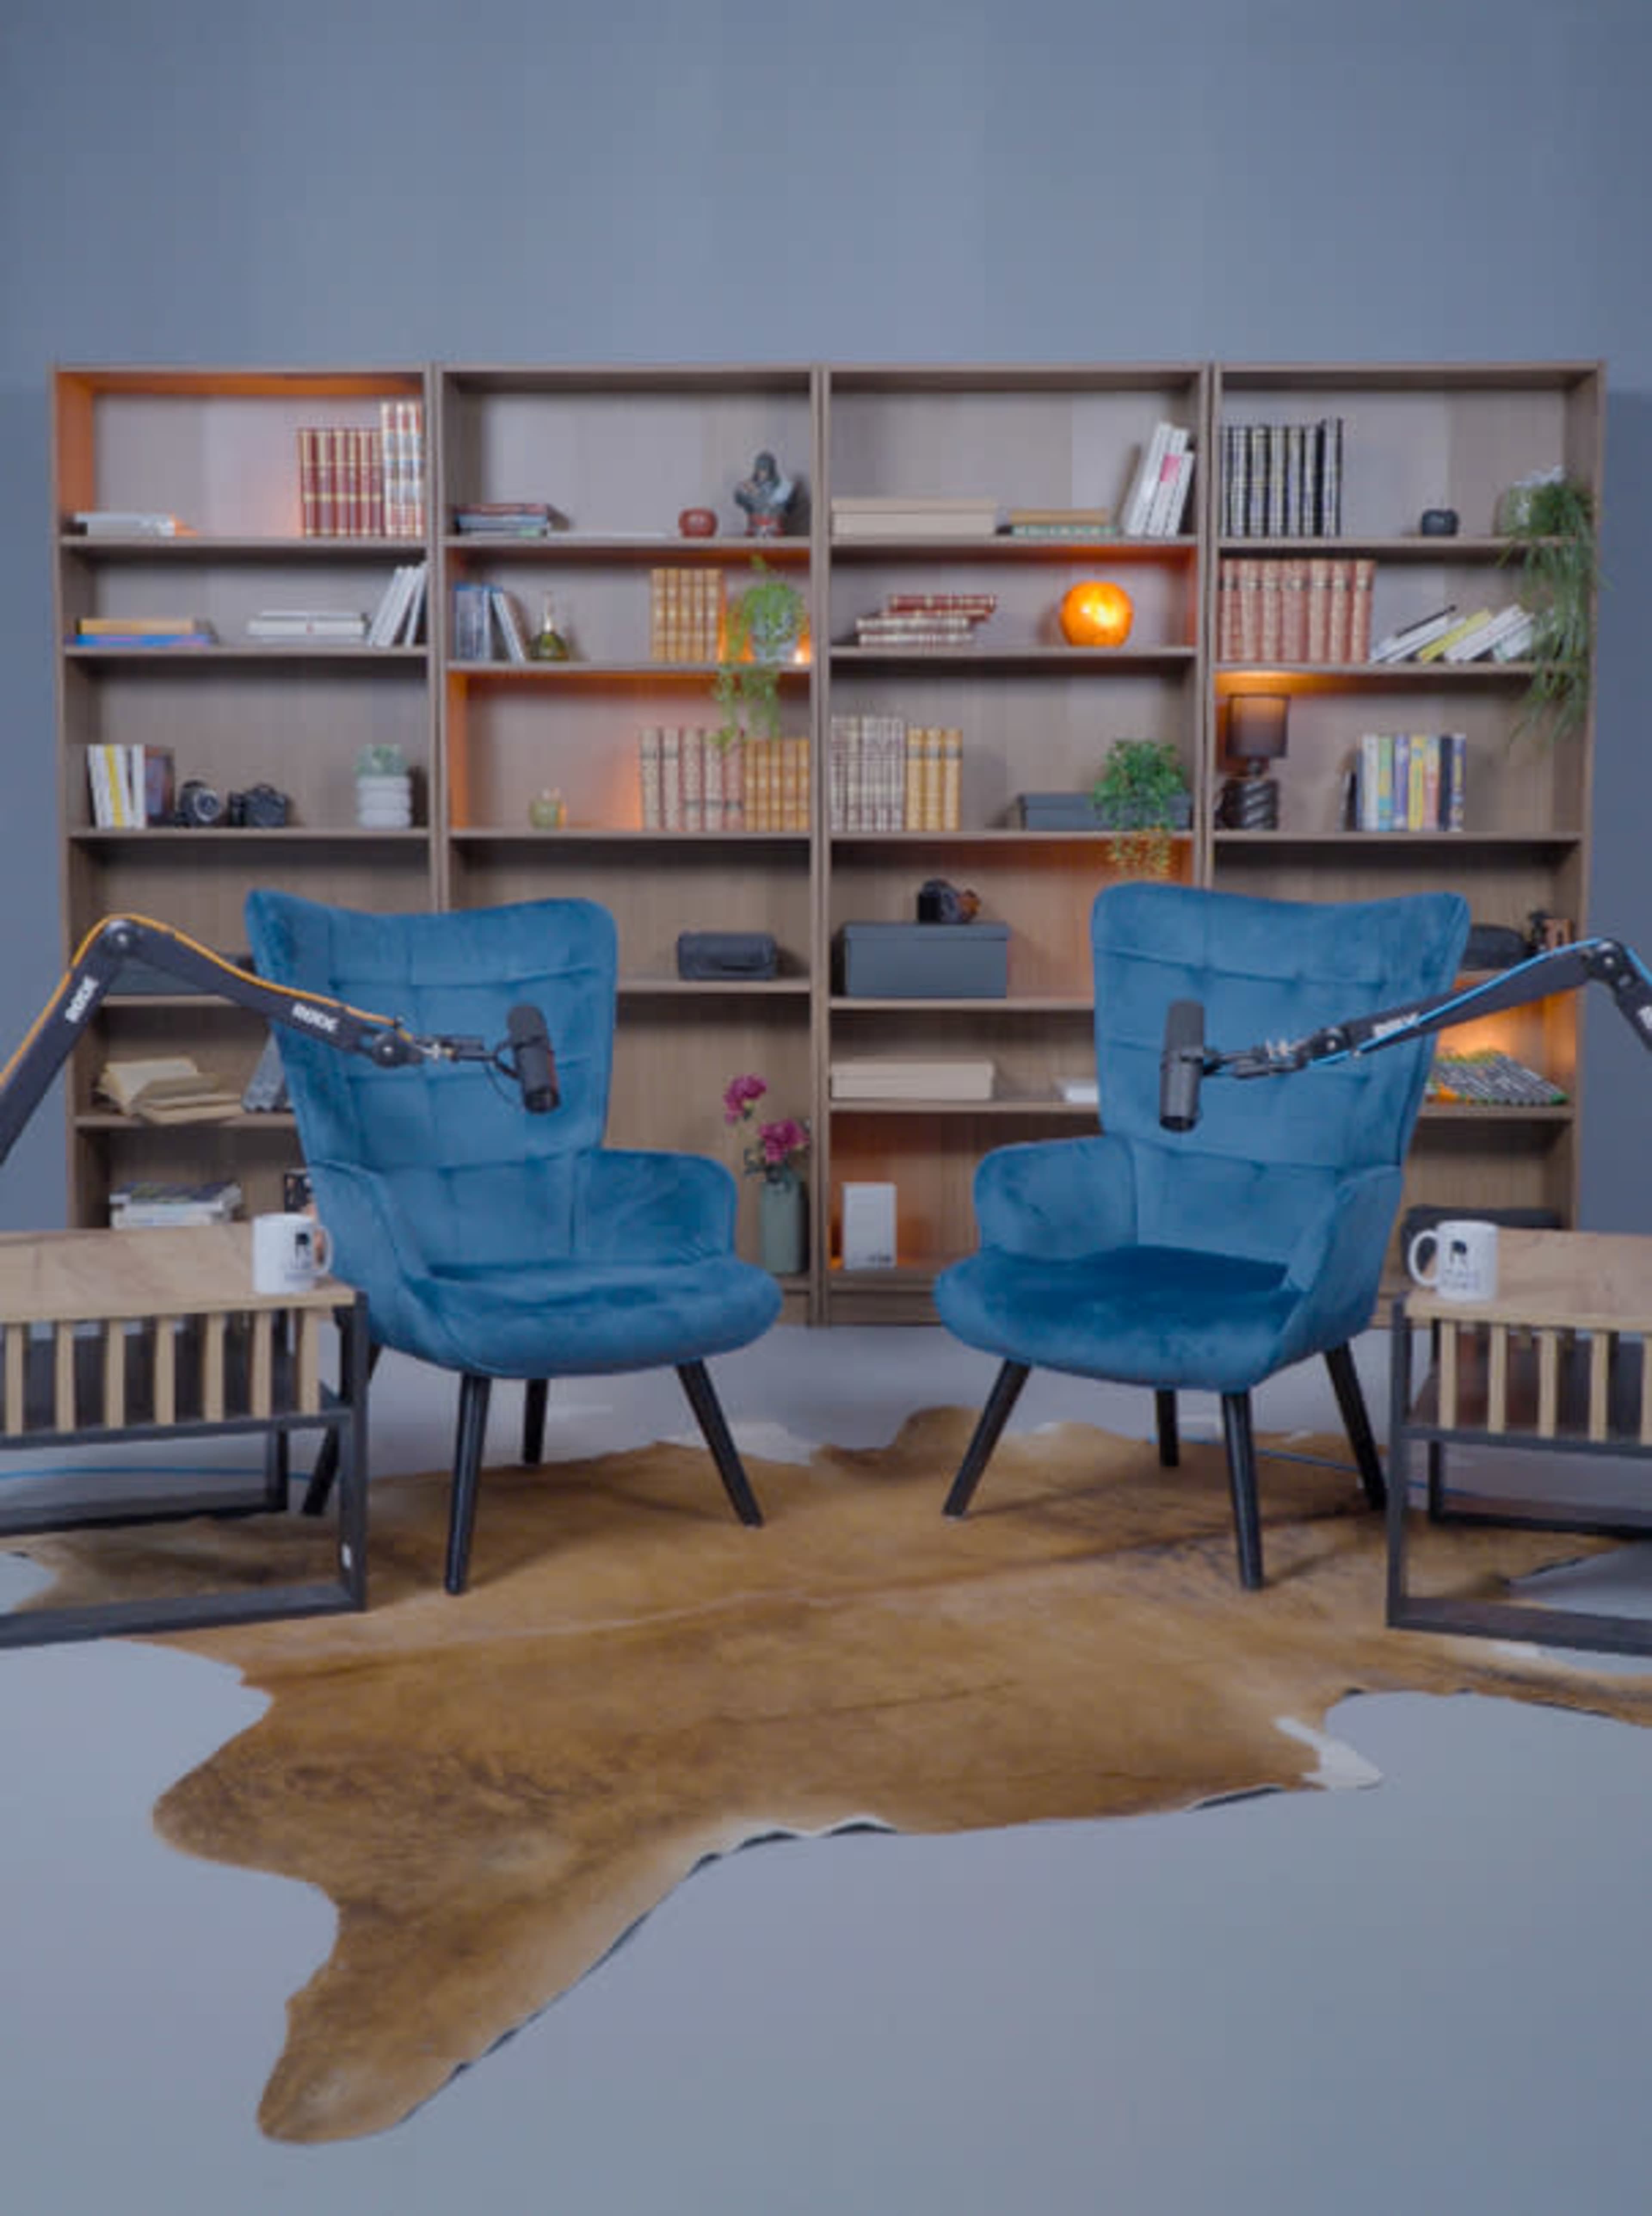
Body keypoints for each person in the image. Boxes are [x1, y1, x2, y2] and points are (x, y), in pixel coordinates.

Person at [734, 450, 794, 535]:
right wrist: (741, 493)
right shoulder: (751, 485)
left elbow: (779, 506)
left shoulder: (782, 487)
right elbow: (742, 502)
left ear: (771, 470)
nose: (762, 472)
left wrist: (759, 494)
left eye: (765, 469)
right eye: (760, 469)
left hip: (773, 529)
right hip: (755, 528)